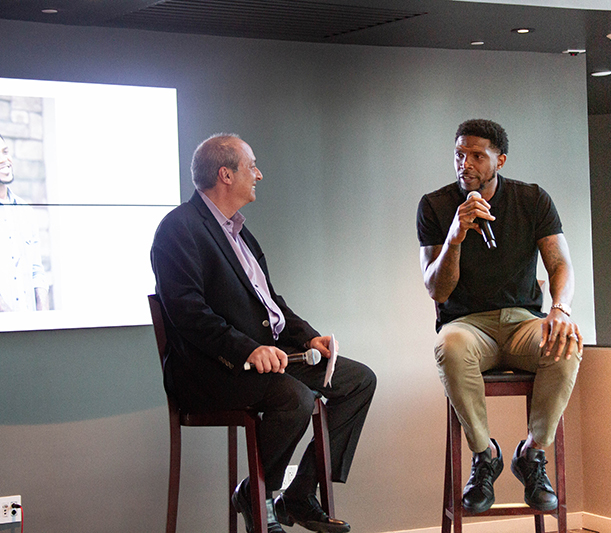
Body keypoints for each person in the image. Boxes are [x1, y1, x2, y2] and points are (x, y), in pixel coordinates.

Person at [151, 133, 376, 533]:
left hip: (264, 361)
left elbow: (270, 303)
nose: (258, 174)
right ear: (225, 174)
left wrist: (308, 337)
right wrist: (247, 349)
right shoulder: (178, 229)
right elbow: (188, 312)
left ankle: (298, 494)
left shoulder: (240, 232)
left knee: (357, 381)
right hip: (211, 370)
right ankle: (258, 495)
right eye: (251, 166)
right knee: (295, 398)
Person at [416, 119, 583, 514]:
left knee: (566, 340)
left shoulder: (532, 199)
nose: (465, 164)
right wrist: (455, 236)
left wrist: (559, 309)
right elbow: (437, 289)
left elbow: (560, 265)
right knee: (449, 346)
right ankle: (484, 454)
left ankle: (532, 454)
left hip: (524, 321)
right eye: (459, 155)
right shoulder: (435, 206)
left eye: (477, 155)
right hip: (468, 325)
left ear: (500, 160)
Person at [0, 133, 48, 312]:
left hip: (29, 331)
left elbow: (37, 271)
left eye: (5, 151)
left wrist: (43, 320)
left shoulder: (25, 210)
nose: (4, 160)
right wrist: (12, 323)